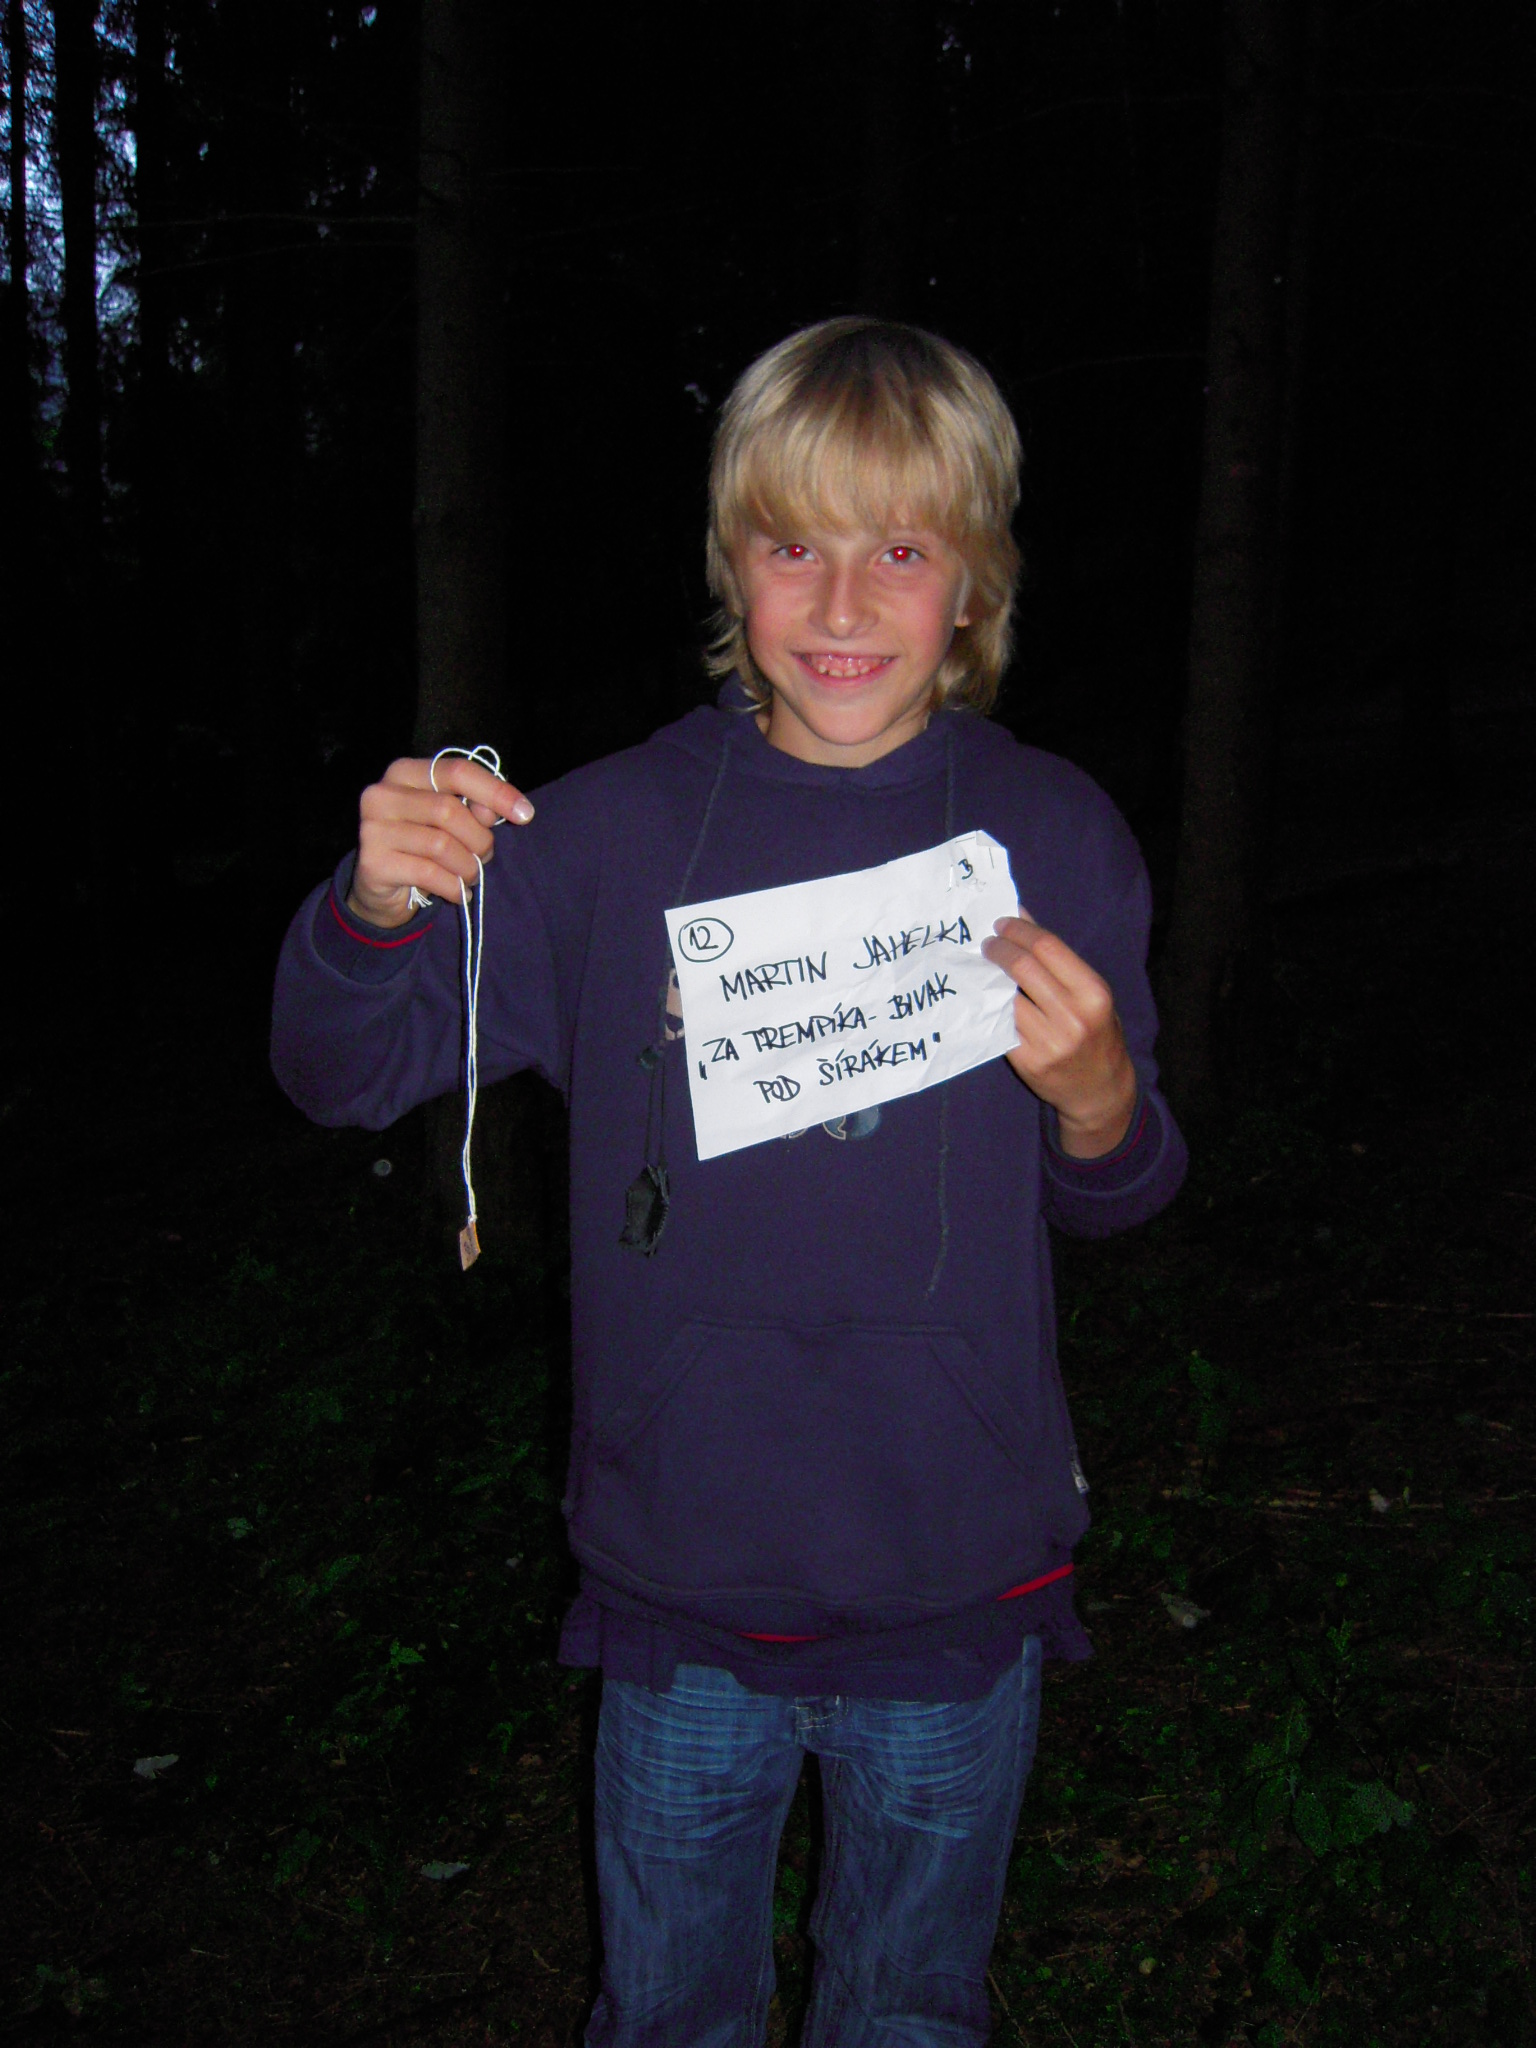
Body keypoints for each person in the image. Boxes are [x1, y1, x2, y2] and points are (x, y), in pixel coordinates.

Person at [272, 317, 1187, 2046]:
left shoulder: (1057, 834)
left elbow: (1124, 1195)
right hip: (680, 1586)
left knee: (908, 2013)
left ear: (974, 583)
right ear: (729, 563)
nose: (841, 603)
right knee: (669, 2014)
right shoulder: (603, 838)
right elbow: (342, 1073)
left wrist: (1099, 1101)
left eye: (899, 550)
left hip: (955, 1582)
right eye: (792, 546)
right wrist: (371, 906)